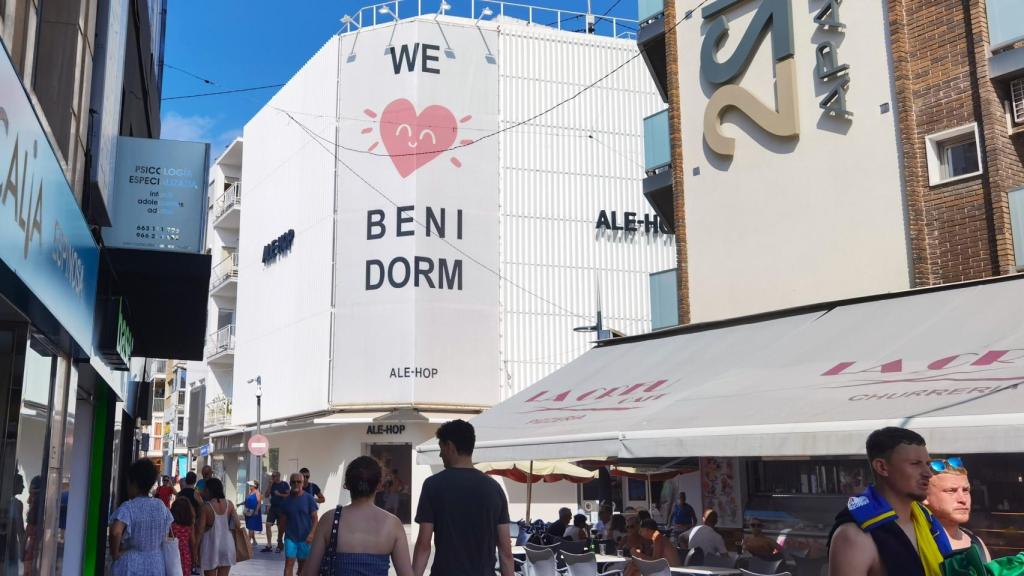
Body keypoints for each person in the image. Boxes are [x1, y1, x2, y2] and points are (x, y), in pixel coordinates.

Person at [828, 427, 952, 576]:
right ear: (882, 467)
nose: (928, 473)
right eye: (915, 463)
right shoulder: (853, 536)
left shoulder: (927, 521)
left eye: (927, 464)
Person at [412, 419, 513, 576]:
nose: (440, 454)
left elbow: (424, 545)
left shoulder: (433, 485)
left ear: (450, 447)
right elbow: (505, 551)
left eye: (441, 448)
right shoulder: (494, 488)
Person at [301, 456, 413, 576]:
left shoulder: (329, 520)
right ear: (380, 485)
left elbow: (308, 573)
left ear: (347, 484)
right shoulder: (393, 524)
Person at [108, 459, 174, 576]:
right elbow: (166, 532)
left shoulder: (129, 507)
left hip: (132, 564)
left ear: (134, 483)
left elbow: (115, 532)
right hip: (156, 563)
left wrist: (115, 553)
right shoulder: (160, 506)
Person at [925, 457, 991, 561]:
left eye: (965, 490)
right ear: (924, 496)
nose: (963, 499)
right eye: (951, 490)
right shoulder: (916, 543)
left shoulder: (977, 543)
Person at [280, 472, 319, 576]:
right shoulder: (286, 501)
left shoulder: (309, 499)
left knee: (302, 567)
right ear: (290, 483)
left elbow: (315, 519)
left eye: (299, 482)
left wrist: (312, 534)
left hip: (305, 539)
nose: (296, 484)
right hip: (290, 538)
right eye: (293, 482)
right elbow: (282, 522)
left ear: (303, 483)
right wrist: (279, 539)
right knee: (288, 564)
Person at [198, 477, 236, 576]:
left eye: (205, 489)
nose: (204, 491)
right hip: (227, 545)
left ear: (209, 490)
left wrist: (195, 550)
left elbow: (200, 531)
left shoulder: (206, 507)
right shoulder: (230, 504)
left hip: (210, 545)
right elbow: (237, 524)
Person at [171, 497, 198, 576]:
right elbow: (192, 542)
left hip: (173, 554)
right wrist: (194, 557)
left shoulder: (171, 525)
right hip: (186, 554)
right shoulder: (190, 525)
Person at [264, 471, 290, 553]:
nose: (273, 478)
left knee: (280, 528)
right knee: (268, 524)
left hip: (281, 508)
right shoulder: (272, 485)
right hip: (273, 508)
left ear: (278, 476)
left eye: (274, 476)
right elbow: (266, 495)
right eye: (272, 476)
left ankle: (279, 544)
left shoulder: (284, 484)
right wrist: (269, 485)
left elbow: (289, 495)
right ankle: (269, 544)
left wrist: (279, 495)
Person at [244, 481, 264, 548]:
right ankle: (254, 541)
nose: (250, 486)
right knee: (250, 526)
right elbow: (246, 501)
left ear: (255, 486)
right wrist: (240, 504)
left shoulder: (257, 492)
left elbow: (259, 503)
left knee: (251, 527)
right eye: (250, 485)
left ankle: (248, 543)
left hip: (254, 512)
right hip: (248, 512)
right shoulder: (250, 493)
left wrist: (256, 510)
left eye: (251, 485)